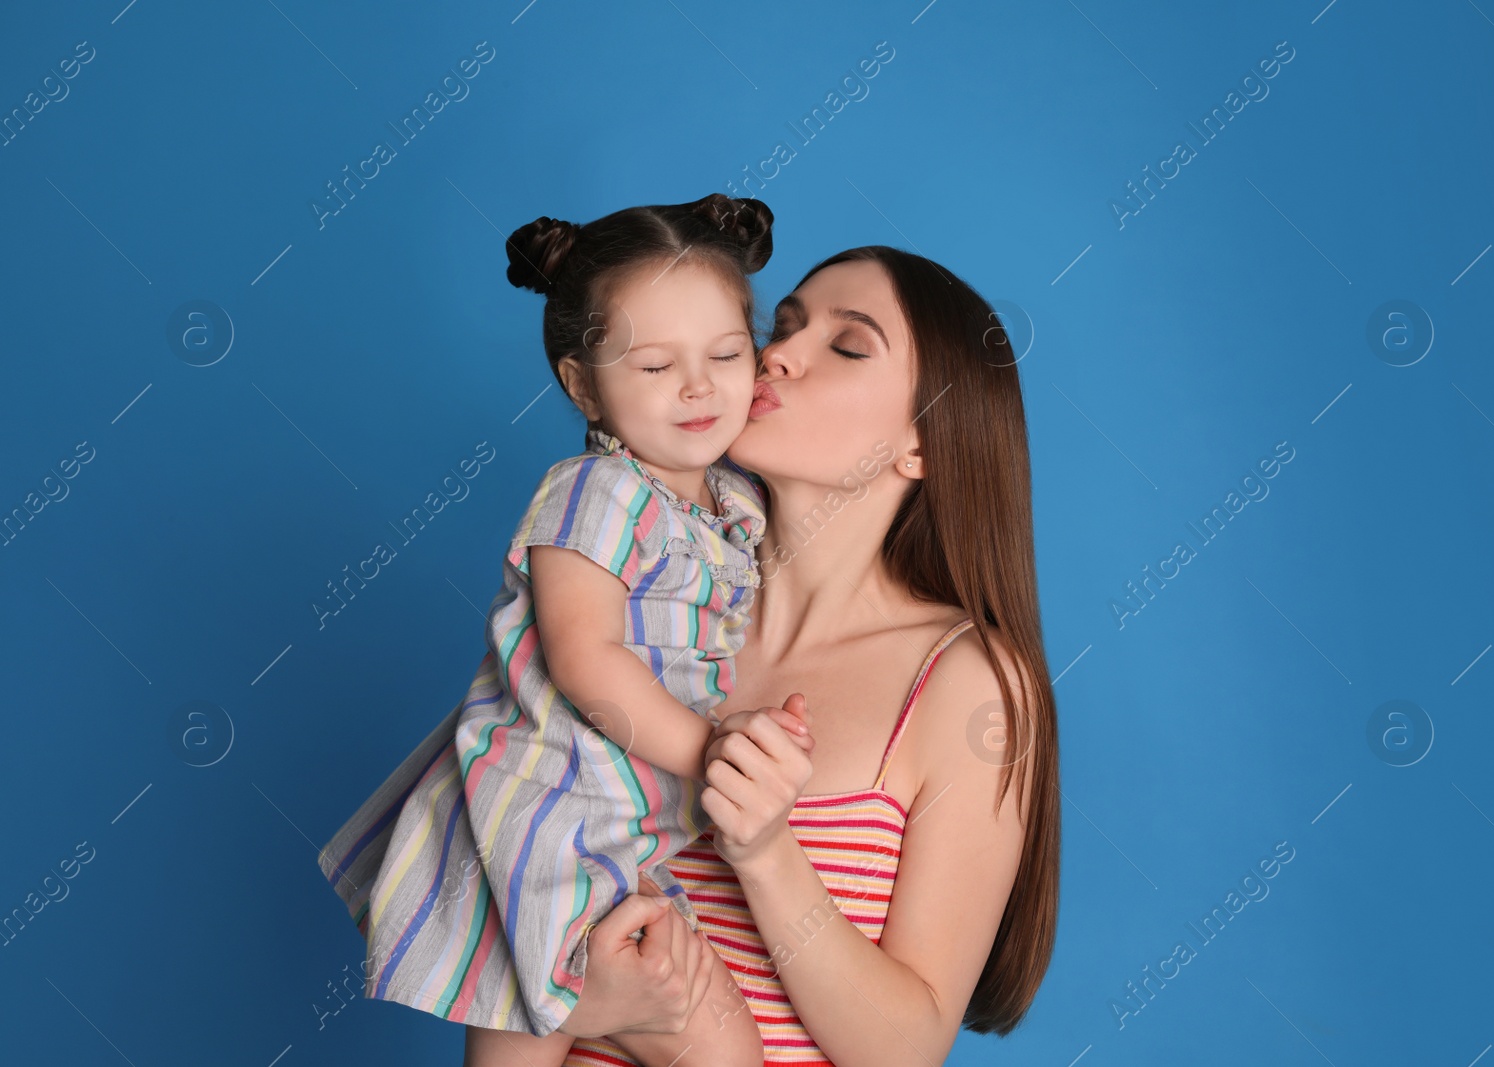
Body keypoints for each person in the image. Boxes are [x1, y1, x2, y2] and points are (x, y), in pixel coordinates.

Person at [318, 192, 813, 1067]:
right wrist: (716, 751)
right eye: (655, 366)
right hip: (549, 820)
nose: (700, 386)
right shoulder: (593, 493)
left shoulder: (736, 505)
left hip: (628, 836)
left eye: (727, 353)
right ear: (582, 383)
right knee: (716, 1046)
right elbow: (587, 660)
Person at [533, 245, 1061, 1066]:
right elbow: (516, 856)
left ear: (921, 442)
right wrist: (565, 1000)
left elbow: (905, 1048)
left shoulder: (967, 681)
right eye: (781, 325)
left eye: (846, 345)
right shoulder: (632, 618)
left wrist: (766, 849)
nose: (778, 352)